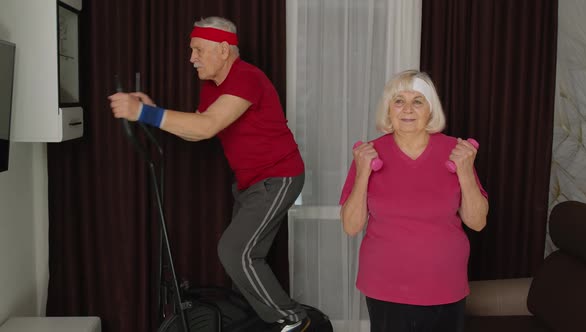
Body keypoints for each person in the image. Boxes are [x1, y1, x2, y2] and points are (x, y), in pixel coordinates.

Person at [108, 16, 310, 332]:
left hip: (279, 176)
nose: (192, 58)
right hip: (249, 182)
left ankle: (294, 319)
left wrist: (144, 112)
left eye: (199, 50)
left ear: (224, 50)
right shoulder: (212, 85)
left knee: (234, 250)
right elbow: (197, 131)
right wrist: (151, 115)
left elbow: (206, 127)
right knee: (245, 257)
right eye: (192, 50)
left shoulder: (246, 78)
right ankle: (276, 318)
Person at [339, 70, 489, 332]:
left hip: (445, 284)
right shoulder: (369, 153)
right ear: (388, 109)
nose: (407, 109)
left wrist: (465, 171)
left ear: (430, 110)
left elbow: (477, 222)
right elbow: (351, 226)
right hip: (385, 287)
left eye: (418, 100)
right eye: (399, 101)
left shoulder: (457, 151)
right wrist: (363, 172)